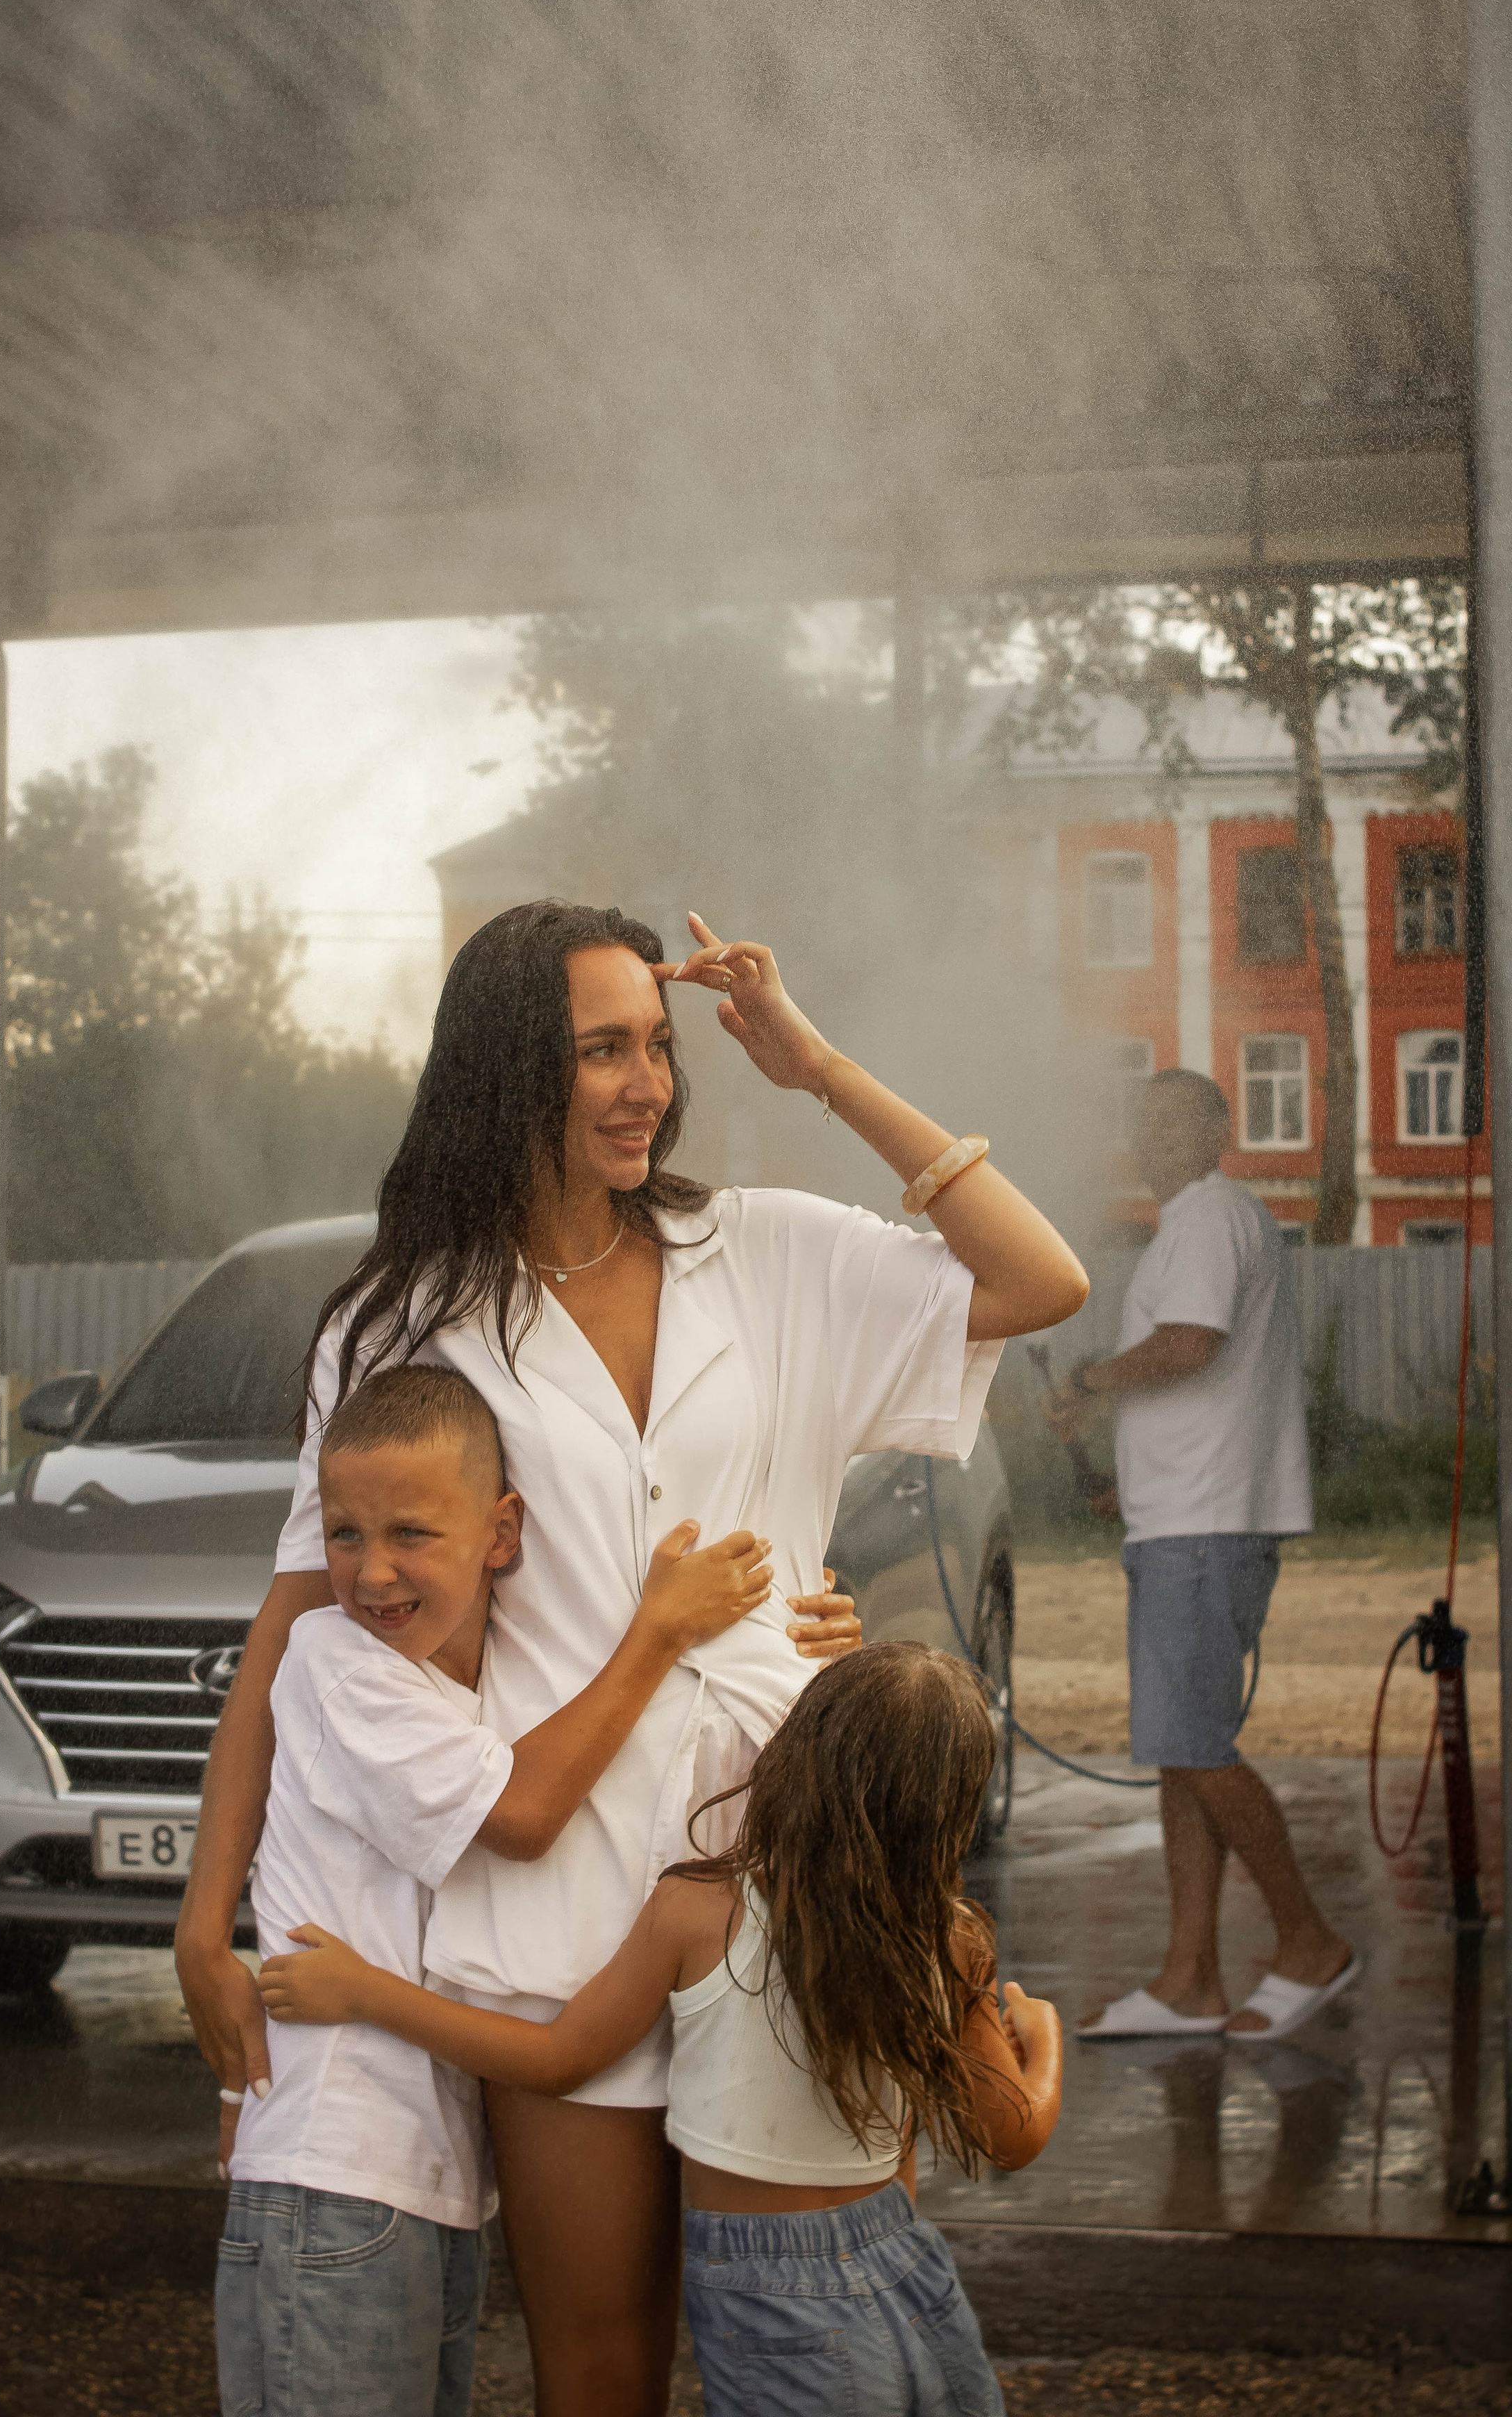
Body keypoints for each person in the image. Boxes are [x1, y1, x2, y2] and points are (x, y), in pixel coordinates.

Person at [180, 898, 1088, 2416]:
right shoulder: (403, 1319)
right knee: (597, 2370)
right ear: (499, 1072)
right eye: (600, 1049)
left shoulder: (768, 1252)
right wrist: (208, 1922)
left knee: (802, 2331)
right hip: (554, 1914)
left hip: (780, 1894)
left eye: (655, 1047)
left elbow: (1037, 1280)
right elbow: (296, 1621)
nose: (645, 1083)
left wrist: (819, 1071)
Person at [258, 1644, 1065, 2417]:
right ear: (947, 1814)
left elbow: (556, 2059)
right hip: (909, 2272)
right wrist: (1042, 2034)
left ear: (794, 1757)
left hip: (778, 2303)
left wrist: (366, 1992)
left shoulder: (699, 1911)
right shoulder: (951, 1940)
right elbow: (1012, 2134)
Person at [219, 1360, 778, 2417]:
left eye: (410, 1534)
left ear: (503, 1535)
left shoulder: (462, 1686)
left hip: (418, 2177)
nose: (372, 1571)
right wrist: (659, 1628)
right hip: (342, 2167)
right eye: (344, 1534)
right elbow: (522, 1817)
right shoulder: (339, 1660)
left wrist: (784, 1630)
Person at [1058, 1068, 1357, 2045]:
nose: (1158, 1134)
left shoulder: (1205, 1217)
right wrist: (1123, 1489)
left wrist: (1095, 1378)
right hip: (1185, 1519)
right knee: (1183, 1756)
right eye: (1143, 1121)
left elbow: (1192, 1343)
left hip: (1203, 1528)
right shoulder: (1215, 1219)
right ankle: (1190, 1978)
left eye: (1179, 1116)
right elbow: (1201, 1378)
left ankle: (1308, 1939)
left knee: (1195, 1747)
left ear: (1221, 1129)